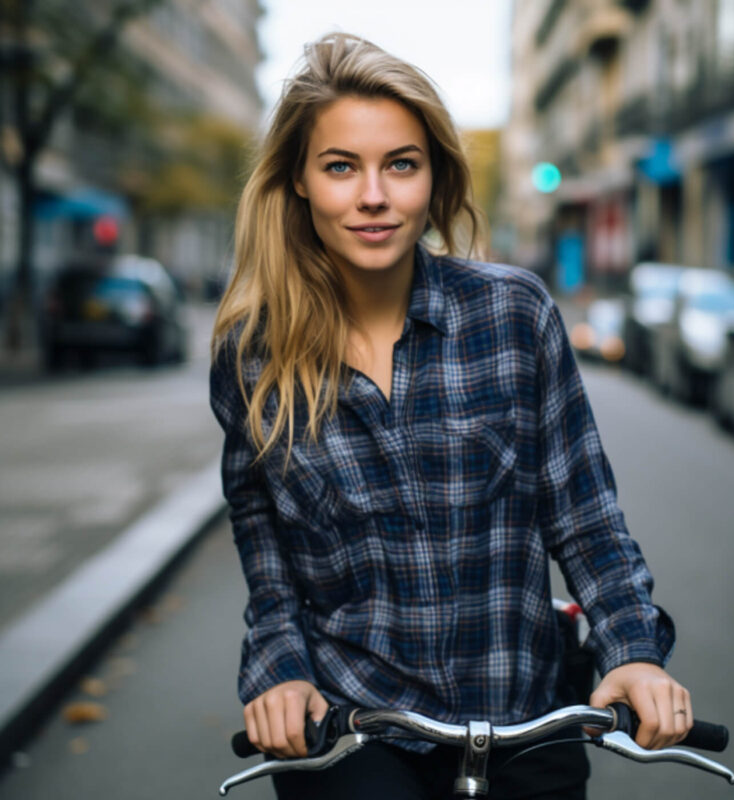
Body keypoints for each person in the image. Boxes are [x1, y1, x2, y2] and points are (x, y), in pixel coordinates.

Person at [210, 32, 692, 800]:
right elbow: (261, 529)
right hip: (352, 729)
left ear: (433, 179)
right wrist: (280, 667)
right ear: (299, 181)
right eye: (341, 166)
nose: (374, 195)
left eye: (401, 164)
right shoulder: (252, 356)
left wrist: (632, 650)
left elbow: (586, 516)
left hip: (523, 718)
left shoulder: (514, 313)